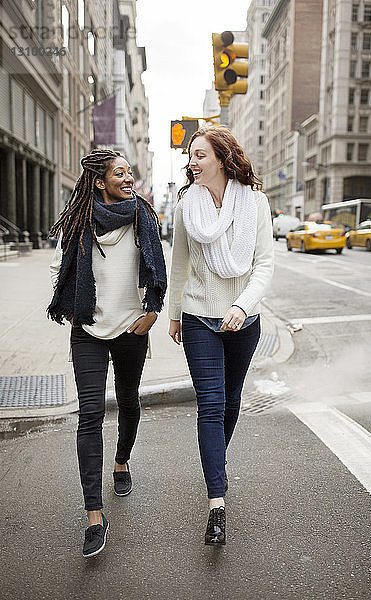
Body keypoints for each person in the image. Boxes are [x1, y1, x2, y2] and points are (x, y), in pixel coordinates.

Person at [48, 149, 166, 558]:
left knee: (129, 399)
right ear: (100, 182)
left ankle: (121, 462)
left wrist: (153, 311)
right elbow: (60, 267)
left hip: (132, 329)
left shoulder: (143, 217)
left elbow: (158, 270)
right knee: (90, 414)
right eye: (120, 173)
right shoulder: (80, 221)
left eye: (129, 172)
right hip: (89, 332)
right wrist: (71, 305)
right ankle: (94, 517)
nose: (128, 178)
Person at [168, 126, 274, 545]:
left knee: (231, 400)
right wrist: (175, 314)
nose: (192, 163)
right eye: (190, 156)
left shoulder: (256, 203)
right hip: (198, 316)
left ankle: (216, 461)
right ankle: (217, 502)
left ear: (222, 158)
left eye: (199, 155)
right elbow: (179, 263)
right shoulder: (185, 206)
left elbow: (264, 265)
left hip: (244, 320)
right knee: (210, 404)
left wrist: (241, 306)